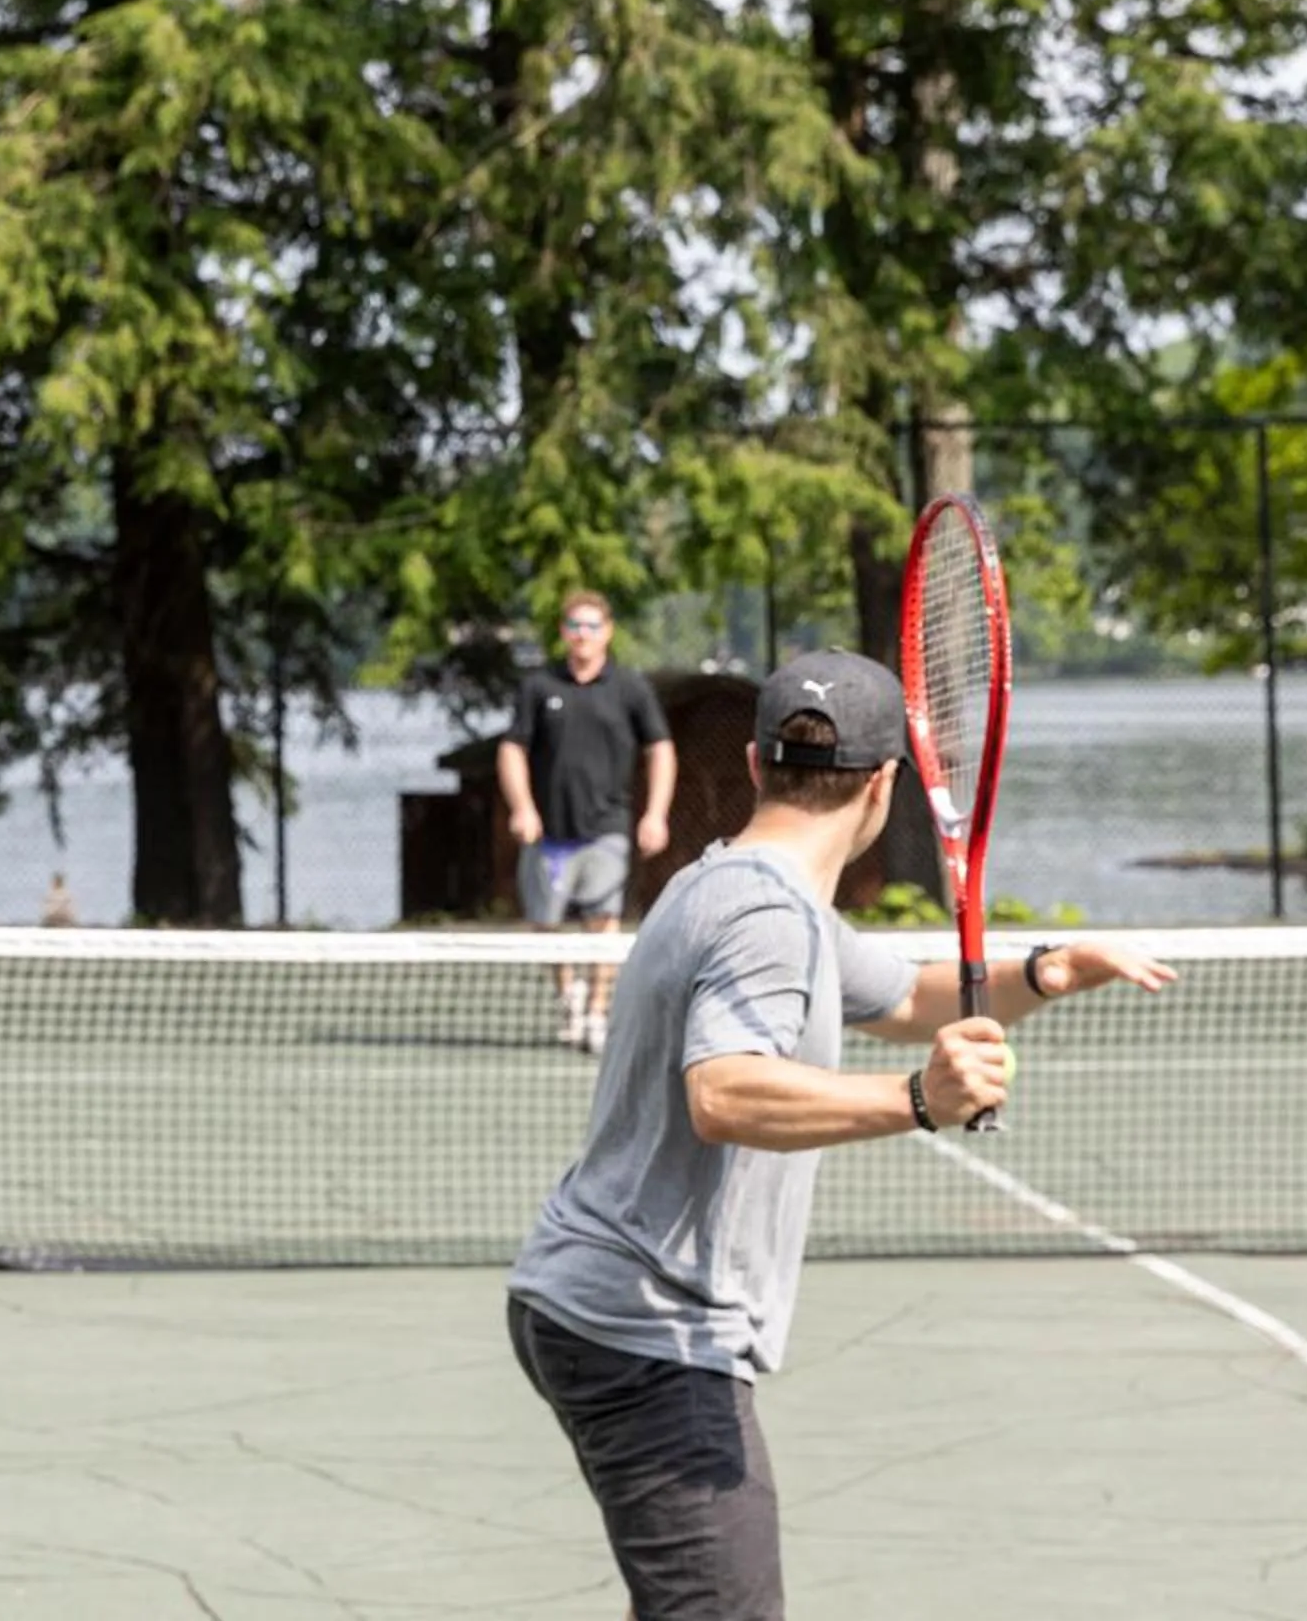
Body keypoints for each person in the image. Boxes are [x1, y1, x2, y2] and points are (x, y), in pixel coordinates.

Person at [505, 648, 1176, 1621]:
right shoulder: (765, 917)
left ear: (750, 763)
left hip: (602, 1303)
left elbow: (904, 993)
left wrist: (1052, 968)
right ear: (884, 784)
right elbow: (726, 1092)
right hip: (648, 1329)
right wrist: (918, 1099)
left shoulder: (741, 886)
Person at [498, 591, 676, 1053]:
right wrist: (523, 807)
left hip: (607, 829)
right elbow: (512, 748)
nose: (583, 635)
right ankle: (569, 996)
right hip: (550, 835)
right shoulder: (539, 687)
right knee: (545, 927)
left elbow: (660, 749)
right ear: (563, 632)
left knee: (603, 922)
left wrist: (655, 814)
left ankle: (597, 1012)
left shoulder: (630, 688)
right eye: (575, 626)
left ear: (608, 632)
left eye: (592, 626)